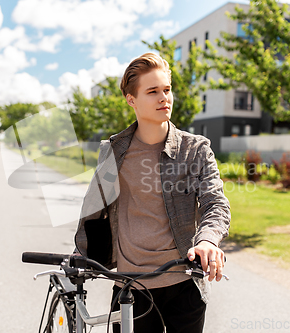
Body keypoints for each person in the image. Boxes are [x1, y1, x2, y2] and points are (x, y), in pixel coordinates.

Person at [74, 52, 230, 333]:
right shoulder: (114, 151)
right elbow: (95, 210)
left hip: (184, 283)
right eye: (153, 91)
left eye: (167, 90)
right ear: (131, 99)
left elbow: (215, 202)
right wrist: (78, 257)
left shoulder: (195, 149)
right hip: (130, 288)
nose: (164, 98)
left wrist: (208, 240)